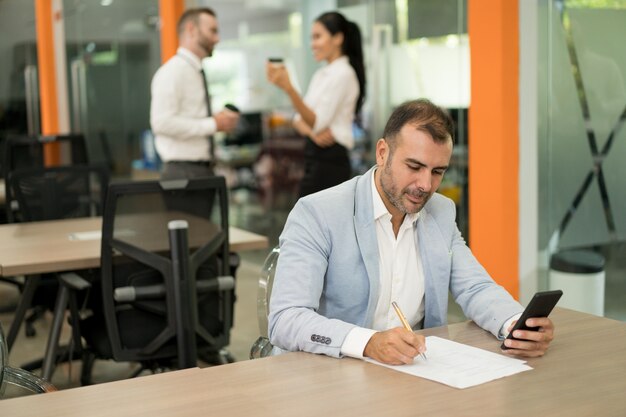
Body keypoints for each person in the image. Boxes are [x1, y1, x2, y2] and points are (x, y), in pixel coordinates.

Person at [268, 99, 555, 365]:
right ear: (383, 153)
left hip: (412, 373)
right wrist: (368, 342)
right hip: (330, 372)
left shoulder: (440, 212)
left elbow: (474, 286)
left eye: (437, 171)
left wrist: (516, 324)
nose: (426, 185)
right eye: (414, 166)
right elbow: (286, 318)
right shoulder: (318, 213)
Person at [266, 11, 366, 197]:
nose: (312, 44)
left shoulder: (343, 73)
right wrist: (313, 133)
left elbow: (315, 121)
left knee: (311, 219)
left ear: (337, 38)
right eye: (312, 38)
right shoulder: (321, 74)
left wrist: (289, 89)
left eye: (318, 37)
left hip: (331, 159)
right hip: (316, 155)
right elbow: (298, 119)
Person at [150, 7, 239, 181]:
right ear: (191, 30)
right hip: (183, 173)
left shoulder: (194, 71)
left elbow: (190, 116)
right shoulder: (172, 72)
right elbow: (161, 123)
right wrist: (212, 124)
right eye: (212, 31)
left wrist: (217, 121)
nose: (217, 38)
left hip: (200, 170)